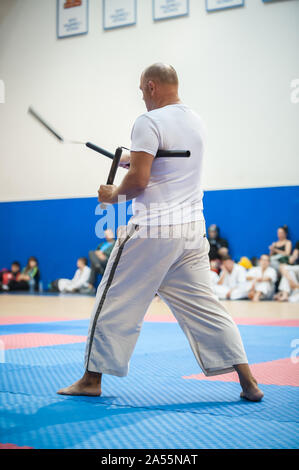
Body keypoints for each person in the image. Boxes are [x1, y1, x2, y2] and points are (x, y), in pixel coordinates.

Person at [57, 63, 263, 402]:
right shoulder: (195, 121)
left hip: (151, 231)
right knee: (206, 308)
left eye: (141, 89)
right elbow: (165, 166)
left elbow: (138, 182)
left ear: (152, 86)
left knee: (113, 301)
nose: (141, 96)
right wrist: (131, 159)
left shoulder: (148, 122)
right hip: (192, 232)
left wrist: (113, 195)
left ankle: (91, 380)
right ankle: (249, 382)